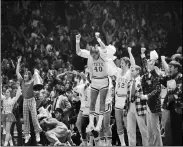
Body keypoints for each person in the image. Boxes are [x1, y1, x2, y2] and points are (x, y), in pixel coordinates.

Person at [76, 32, 114, 132]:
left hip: (104, 80)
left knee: (102, 102)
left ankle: (99, 124)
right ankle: (92, 124)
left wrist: (98, 39)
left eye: (95, 56)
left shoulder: (102, 54)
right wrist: (77, 41)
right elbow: (78, 52)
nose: (93, 58)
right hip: (95, 81)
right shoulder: (90, 55)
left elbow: (104, 47)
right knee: (92, 102)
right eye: (92, 56)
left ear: (97, 53)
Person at [16, 56, 42, 143]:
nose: (25, 75)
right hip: (25, 101)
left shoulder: (32, 81)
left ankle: (37, 132)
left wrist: (36, 72)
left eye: (27, 74)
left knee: (34, 117)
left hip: (32, 100)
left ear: (29, 76)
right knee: (26, 118)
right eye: (25, 74)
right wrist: (18, 62)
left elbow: (39, 80)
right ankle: (27, 134)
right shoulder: (22, 81)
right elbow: (17, 72)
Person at [114, 46, 136, 146]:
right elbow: (110, 65)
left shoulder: (128, 73)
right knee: (119, 124)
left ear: (127, 64)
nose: (120, 64)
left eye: (122, 63)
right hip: (117, 102)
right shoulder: (118, 72)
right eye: (120, 63)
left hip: (125, 102)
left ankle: (131, 143)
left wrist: (130, 52)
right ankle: (123, 144)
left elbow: (134, 64)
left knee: (127, 124)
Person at [141, 48, 163, 146]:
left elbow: (157, 90)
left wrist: (147, 96)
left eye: (149, 61)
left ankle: (158, 145)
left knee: (155, 130)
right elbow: (144, 63)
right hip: (148, 105)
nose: (147, 63)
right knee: (149, 129)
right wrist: (142, 54)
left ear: (153, 63)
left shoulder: (157, 73)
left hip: (154, 105)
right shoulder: (148, 72)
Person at [123, 65, 149, 146]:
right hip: (130, 107)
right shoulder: (129, 82)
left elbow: (146, 71)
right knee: (130, 131)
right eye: (130, 70)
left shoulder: (143, 80)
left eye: (133, 70)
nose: (131, 72)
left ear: (138, 71)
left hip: (140, 107)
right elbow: (127, 96)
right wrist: (125, 108)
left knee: (143, 130)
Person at [160, 57, 183, 146]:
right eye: (169, 67)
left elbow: (179, 92)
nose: (169, 69)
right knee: (169, 128)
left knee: (177, 128)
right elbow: (161, 79)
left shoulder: (180, 77)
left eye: (171, 67)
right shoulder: (169, 77)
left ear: (176, 69)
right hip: (169, 106)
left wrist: (171, 97)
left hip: (178, 106)